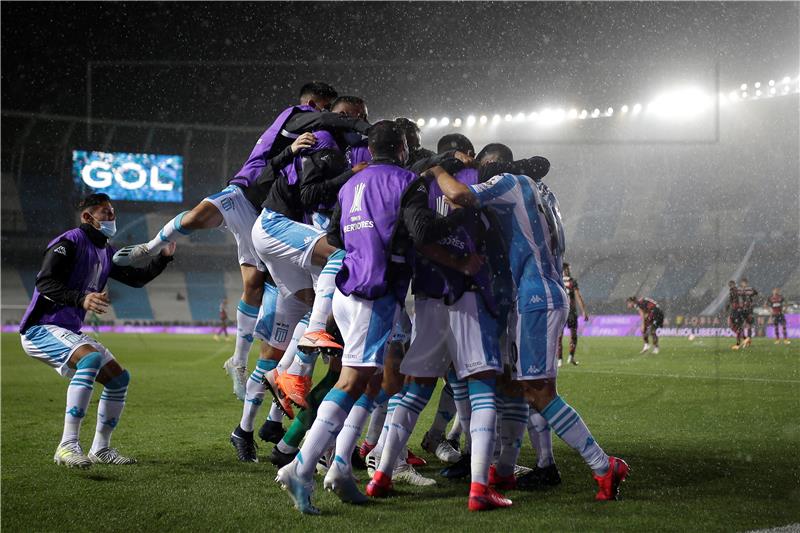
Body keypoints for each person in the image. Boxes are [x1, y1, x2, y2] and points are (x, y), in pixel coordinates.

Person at [274, 120, 479, 515]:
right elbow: (422, 232)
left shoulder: (353, 183)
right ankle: (301, 467)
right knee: (352, 383)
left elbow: (334, 236)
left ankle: (338, 471)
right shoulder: (407, 181)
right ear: (402, 148)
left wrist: (368, 238)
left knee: (365, 381)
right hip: (376, 292)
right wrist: (458, 217)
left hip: (346, 290)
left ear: (370, 149)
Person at [112, 82, 346, 401]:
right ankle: (148, 247)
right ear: (311, 104)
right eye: (323, 107)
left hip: (266, 218)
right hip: (243, 194)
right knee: (196, 217)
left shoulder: (318, 146)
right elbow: (271, 164)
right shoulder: (293, 123)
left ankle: (237, 361)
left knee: (252, 286)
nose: (324, 115)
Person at [432, 159, 629, 503]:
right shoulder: (543, 193)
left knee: (539, 392)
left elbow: (459, 194)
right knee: (515, 384)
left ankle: (603, 465)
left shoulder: (509, 183)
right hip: (538, 294)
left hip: (536, 296)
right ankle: (505, 470)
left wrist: (434, 170)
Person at [19, 193, 175, 468]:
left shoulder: (107, 251)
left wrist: (163, 259)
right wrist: (81, 298)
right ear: (88, 217)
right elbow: (44, 283)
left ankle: (100, 449)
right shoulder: (68, 242)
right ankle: (67, 446)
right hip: (40, 328)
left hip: (68, 331)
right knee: (90, 359)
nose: (112, 216)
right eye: (105, 212)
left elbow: (136, 279)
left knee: (118, 379)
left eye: (113, 211)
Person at [559, 263, 589, 366]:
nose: (567, 270)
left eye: (567, 269)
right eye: (566, 269)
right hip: (567, 311)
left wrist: (583, 310)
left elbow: (578, 296)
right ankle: (564, 358)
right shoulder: (569, 281)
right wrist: (584, 310)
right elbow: (578, 296)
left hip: (565, 311)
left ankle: (565, 359)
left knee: (566, 335)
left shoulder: (558, 279)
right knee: (566, 336)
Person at [738, 278, 758, 346]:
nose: (744, 284)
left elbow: (756, 294)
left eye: (745, 283)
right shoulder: (739, 290)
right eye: (742, 283)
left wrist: (752, 302)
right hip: (741, 309)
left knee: (749, 324)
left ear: (746, 283)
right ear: (741, 283)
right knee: (741, 325)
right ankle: (745, 339)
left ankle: (749, 340)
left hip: (749, 309)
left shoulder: (750, 289)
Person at [726, 280, 745, 350]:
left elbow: (737, 300)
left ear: (734, 284)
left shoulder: (736, 291)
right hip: (736, 310)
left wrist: (740, 308)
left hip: (737, 310)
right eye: (730, 285)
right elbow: (731, 300)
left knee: (736, 326)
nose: (731, 286)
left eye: (731, 285)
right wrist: (728, 306)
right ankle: (745, 339)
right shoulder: (734, 291)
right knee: (736, 326)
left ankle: (738, 344)